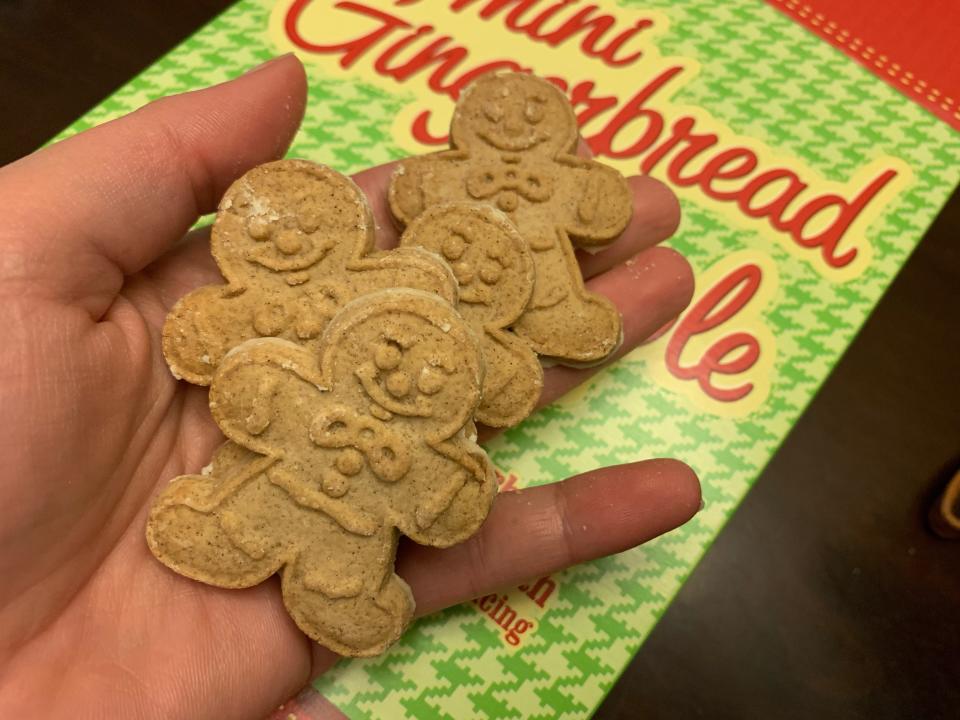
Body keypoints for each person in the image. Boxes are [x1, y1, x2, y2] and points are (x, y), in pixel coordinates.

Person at [0, 55, 701, 718]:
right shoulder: (323, 359)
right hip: (273, 485)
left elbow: (447, 499)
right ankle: (222, 531)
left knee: (344, 572)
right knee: (242, 517)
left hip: (358, 531)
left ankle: (341, 595)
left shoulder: (404, 331)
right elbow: (251, 383)